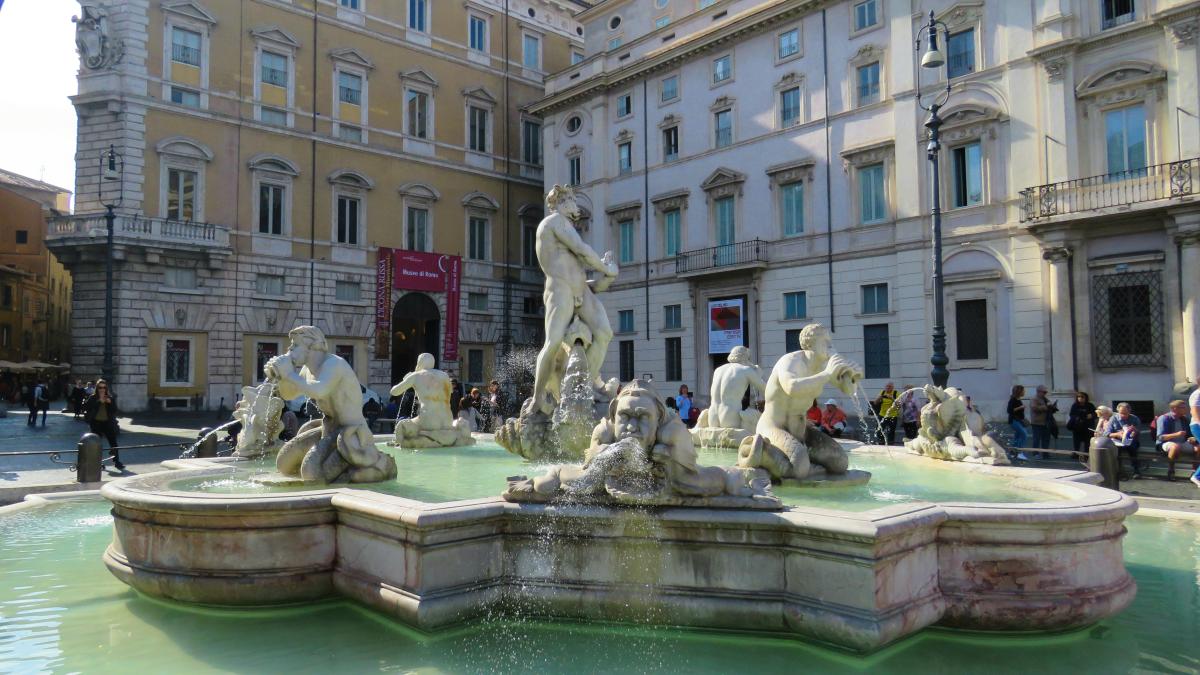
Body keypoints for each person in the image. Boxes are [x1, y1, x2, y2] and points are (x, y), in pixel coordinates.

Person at [531, 185, 619, 415]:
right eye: (571, 199)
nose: (576, 206)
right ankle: (537, 398)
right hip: (560, 290)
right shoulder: (553, 222)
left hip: (582, 291)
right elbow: (582, 250)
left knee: (604, 333)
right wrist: (605, 267)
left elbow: (592, 282)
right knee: (552, 343)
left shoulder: (566, 226)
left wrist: (608, 278)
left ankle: (581, 388)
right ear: (561, 202)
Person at [82, 379, 123, 471]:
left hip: (107, 423)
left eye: (104, 387)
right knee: (97, 444)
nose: (102, 389)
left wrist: (110, 403)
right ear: (97, 388)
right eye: (100, 387)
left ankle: (117, 461)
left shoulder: (110, 397)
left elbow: (115, 410)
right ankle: (98, 463)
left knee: (114, 443)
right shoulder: (92, 397)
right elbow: (87, 408)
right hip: (96, 423)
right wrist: (99, 401)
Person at [1156, 399, 1198, 481]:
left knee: (1198, 447)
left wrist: (1192, 439)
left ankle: (1195, 472)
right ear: (1174, 408)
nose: (1186, 409)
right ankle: (1171, 471)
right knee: (1175, 446)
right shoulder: (1164, 418)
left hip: (1182, 443)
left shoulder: (1185, 419)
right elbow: (1160, 437)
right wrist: (1176, 435)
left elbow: (1189, 435)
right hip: (1166, 443)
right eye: (1183, 407)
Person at [1106, 402, 1143, 479]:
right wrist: (1117, 434)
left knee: (1132, 447)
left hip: (1131, 440)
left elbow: (1138, 431)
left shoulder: (1135, 418)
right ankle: (1119, 471)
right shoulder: (1113, 418)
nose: (1123, 415)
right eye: (1121, 413)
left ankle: (1136, 470)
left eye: (1125, 413)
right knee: (1116, 450)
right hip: (1117, 441)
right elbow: (1107, 433)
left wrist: (1134, 431)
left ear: (1129, 411)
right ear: (1118, 411)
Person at [1067, 392, 1098, 461]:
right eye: (1079, 397)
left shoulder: (1090, 405)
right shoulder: (1075, 405)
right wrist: (1077, 417)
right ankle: (1076, 453)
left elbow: (1096, 414)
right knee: (1076, 441)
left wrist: (1091, 415)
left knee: (1087, 442)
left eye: (1082, 397)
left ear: (1085, 398)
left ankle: (1086, 455)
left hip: (1088, 426)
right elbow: (1071, 414)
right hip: (1077, 427)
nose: (1080, 398)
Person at [1029, 385, 1057, 459]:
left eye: (1046, 392)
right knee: (1036, 439)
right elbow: (1034, 408)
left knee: (1046, 439)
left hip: (1046, 422)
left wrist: (1053, 407)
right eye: (1044, 392)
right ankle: (1035, 453)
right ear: (1038, 391)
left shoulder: (1045, 399)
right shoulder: (1034, 399)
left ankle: (1045, 453)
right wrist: (1046, 407)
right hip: (1037, 422)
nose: (1045, 393)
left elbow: (1049, 407)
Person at [1007, 385, 1028, 459]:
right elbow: (1009, 410)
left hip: (1019, 420)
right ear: (1019, 392)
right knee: (1024, 435)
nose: (1024, 392)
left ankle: (1013, 453)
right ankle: (1019, 452)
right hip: (1014, 421)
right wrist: (1020, 407)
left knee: (1017, 437)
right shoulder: (1013, 400)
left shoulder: (1018, 399)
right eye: (1023, 391)